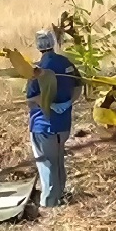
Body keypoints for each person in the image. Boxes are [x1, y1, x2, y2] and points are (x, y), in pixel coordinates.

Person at [26, 30, 82, 208]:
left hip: (43, 125)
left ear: (38, 45)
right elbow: (79, 85)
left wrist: (47, 104)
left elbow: (31, 99)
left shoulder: (37, 69)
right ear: (53, 42)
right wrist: (67, 103)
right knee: (58, 160)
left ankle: (49, 203)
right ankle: (60, 196)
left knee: (47, 164)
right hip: (63, 124)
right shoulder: (66, 63)